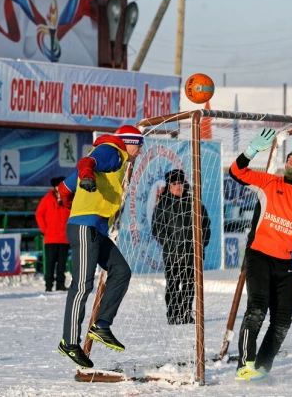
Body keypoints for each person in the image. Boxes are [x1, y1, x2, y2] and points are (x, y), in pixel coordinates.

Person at [230, 128, 292, 381]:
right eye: (290, 158)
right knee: (257, 309)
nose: (291, 161)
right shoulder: (271, 182)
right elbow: (236, 172)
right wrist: (251, 151)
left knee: (283, 321)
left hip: (284, 262)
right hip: (259, 255)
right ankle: (245, 364)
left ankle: (261, 367)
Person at [56, 125, 143, 368]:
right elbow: (86, 162)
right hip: (85, 227)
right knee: (82, 284)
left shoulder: (117, 159)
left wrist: (70, 198)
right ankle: (70, 341)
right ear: (129, 142)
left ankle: (101, 325)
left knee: (121, 271)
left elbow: (64, 188)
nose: (140, 150)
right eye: (139, 144)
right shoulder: (111, 151)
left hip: (96, 229)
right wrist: (87, 177)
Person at [152, 169, 211, 325]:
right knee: (172, 284)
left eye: (180, 183)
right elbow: (157, 228)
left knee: (189, 285)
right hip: (171, 254)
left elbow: (206, 225)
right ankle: (172, 314)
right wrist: (169, 243)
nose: (178, 187)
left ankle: (186, 313)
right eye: (175, 183)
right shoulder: (163, 205)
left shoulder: (194, 203)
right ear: (169, 185)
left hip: (192, 254)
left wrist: (200, 245)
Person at [35, 176, 70, 292]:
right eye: (57, 186)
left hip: (64, 238)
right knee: (49, 264)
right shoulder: (47, 199)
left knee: (62, 264)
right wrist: (45, 229)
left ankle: (60, 284)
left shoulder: (68, 199)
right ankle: (48, 285)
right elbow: (39, 214)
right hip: (51, 238)